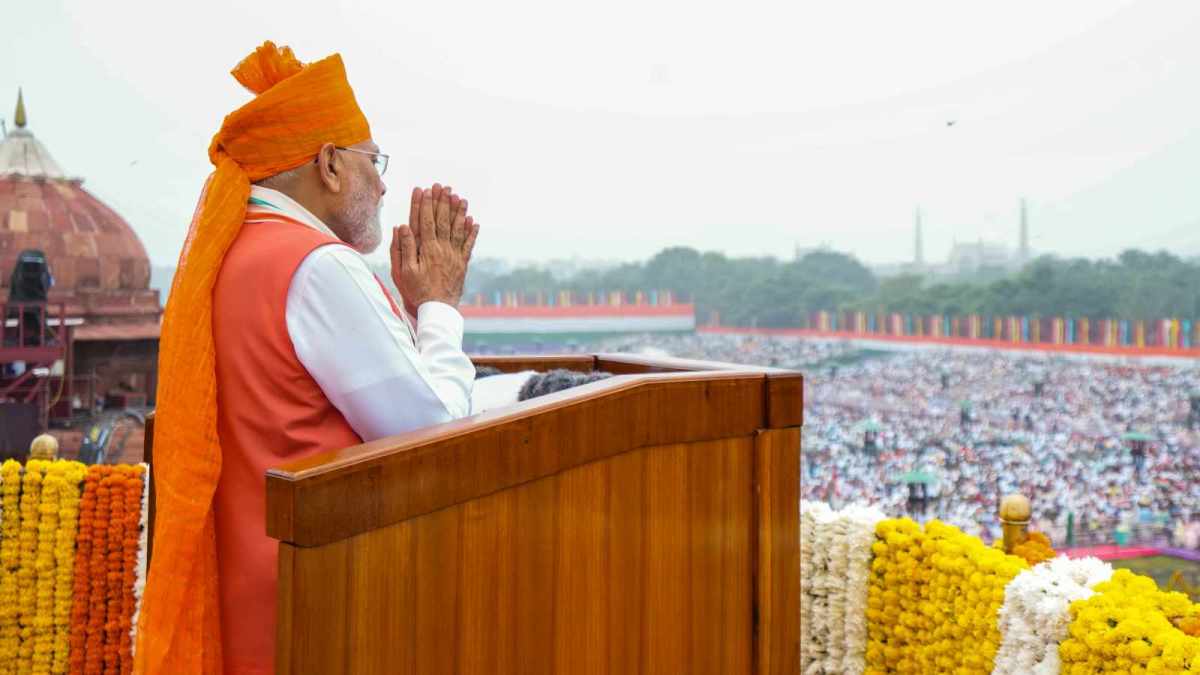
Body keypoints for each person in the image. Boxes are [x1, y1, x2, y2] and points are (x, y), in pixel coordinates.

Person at [136, 41, 480, 674]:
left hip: (251, 598)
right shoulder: (316, 264)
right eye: (373, 162)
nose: (381, 185)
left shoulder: (234, 251)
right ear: (328, 165)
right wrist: (439, 306)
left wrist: (403, 313)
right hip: (316, 606)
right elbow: (433, 433)